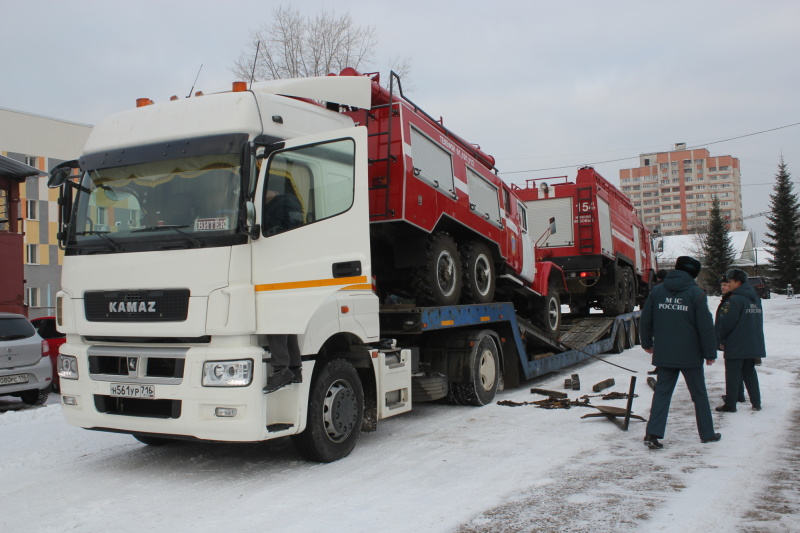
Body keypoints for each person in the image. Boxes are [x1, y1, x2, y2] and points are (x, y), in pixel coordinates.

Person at [640, 256, 721, 449]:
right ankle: (707, 434)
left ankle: (652, 434)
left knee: (662, 394)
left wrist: (646, 342)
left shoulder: (657, 291)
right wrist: (710, 353)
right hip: (691, 355)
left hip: (665, 353)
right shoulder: (697, 294)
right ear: (694, 274)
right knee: (699, 394)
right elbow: (705, 327)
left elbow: (646, 319)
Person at [262, 174, 307, 394]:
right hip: (287, 266)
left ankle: (282, 369)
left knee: (275, 318)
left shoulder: (284, 203)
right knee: (287, 321)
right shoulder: (284, 203)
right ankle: (294, 368)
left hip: (282, 266)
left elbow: (289, 231)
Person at [715, 268, 766, 413]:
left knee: (732, 374)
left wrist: (721, 337)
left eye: (730, 282)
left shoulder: (735, 300)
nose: (728, 284)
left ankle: (731, 404)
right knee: (749, 373)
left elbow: (726, 323)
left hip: (736, 343)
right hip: (752, 342)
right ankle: (756, 402)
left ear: (738, 282)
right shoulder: (755, 299)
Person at [716, 274, 746, 405]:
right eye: (722, 285)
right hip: (731, 339)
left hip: (732, 340)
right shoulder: (728, 299)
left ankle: (734, 396)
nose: (723, 287)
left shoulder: (732, 300)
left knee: (733, 370)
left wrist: (721, 339)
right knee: (735, 369)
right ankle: (737, 394)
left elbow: (728, 322)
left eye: (726, 284)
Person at [647, 269, 670, 376]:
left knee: (659, 345)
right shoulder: (671, 287)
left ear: (659, 277)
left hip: (659, 320)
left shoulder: (656, 288)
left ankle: (659, 367)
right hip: (668, 320)